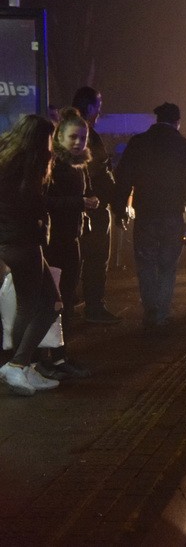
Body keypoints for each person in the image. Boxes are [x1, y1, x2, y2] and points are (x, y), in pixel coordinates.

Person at [112, 102, 186, 327]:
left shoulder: (138, 143)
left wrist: (120, 209)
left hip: (145, 216)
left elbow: (123, 178)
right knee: (167, 266)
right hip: (172, 216)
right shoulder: (183, 146)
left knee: (146, 264)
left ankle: (150, 309)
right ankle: (161, 313)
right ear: (177, 122)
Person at [0, 115, 63, 395]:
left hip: (17, 242)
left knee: (48, 302)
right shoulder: (25, 169)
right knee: (38, 304)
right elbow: (29, 209)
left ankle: (24, 366)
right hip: (22, 243)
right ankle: (17, 366)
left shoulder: (9, 162)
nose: (51, 148)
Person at [40, 108, 99, 378]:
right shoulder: (53, 165)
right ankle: (47, 358)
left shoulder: (79, 165)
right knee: (53, 301)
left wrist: (86, 202)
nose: (79, 142)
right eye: (73, 137)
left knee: (66, 300)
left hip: (71, 238)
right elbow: (44, 201)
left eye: (83, 138)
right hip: (53, 243)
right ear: (60, 137)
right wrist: (79, 202)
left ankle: (61, 355)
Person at [71, 86, 121, 324]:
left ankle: (76, 306)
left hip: (84, 206)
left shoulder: (71, 132)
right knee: (96, 258)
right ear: (90, 108)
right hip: (93, 207)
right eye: (98, 106)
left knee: (81, 259)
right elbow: (96, 171)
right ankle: (93, 307)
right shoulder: (86, 134)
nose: (100, 111)